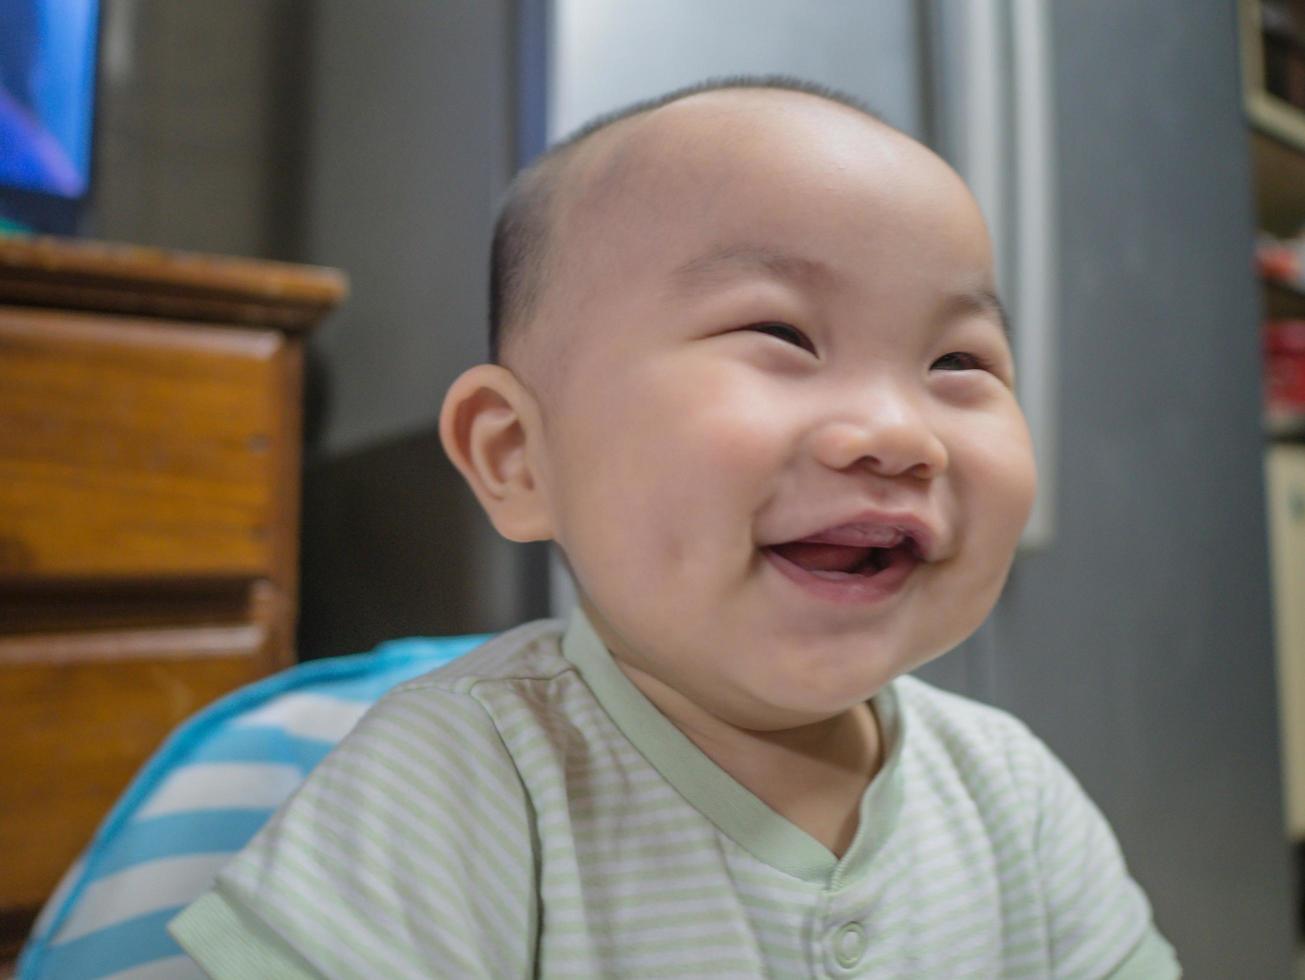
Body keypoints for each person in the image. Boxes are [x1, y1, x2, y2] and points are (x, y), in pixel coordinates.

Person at [169, 77, 1180, 978]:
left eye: (960, 362)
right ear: (520, 455)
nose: (900, 431)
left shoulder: (1014, 793)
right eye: (779, 333)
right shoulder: (464, 776)